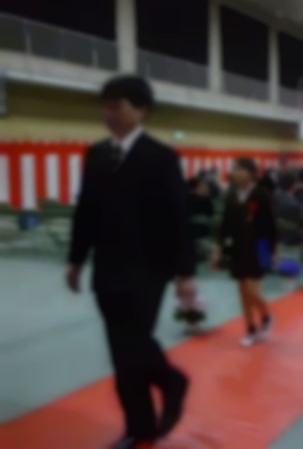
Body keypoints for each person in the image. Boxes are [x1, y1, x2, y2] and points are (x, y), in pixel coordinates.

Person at [66, 75, 196, 449]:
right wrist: (76, 260)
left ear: (141, 110)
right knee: (120, 352)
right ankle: (140, 427)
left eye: (117, 106)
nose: (109, 113)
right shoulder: (96, 155)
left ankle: (170, 384)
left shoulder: (161, 157)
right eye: (105, 106)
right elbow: (86, 212)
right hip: (107, 267)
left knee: (133, 343)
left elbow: (179, 217)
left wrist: (185, 273)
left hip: (148, 270)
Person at [214, 158, 278, 347]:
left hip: (259, 246)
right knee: (242, 292)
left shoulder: (262, 194)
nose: (236, 173)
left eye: (241, 169)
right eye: (235, 170)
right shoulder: (231, 194)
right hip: (237, 247)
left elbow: (271, 224)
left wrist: (274, 250)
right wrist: (219, 249)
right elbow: (225, 224)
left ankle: (266, 314)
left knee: (252, 290)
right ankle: (250, 329)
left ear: (251, 172)